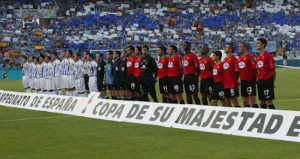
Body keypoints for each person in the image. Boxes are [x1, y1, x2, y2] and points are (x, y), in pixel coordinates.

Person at [256, 38, 276, 109]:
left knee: (268, 101)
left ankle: (273, 116)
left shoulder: (268, 56)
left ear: (263, 45)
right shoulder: (258, 57)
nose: (256, 45)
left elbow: (273, 70)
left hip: (267, 81)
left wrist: (272, 82)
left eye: (258, 43)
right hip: (260, 81)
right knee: (261, 101)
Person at [238, 42, 258, 108]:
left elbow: (254, 69)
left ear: (245, 48)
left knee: (252, 101)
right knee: (245, 102)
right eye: (239, 47)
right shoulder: (240, 58)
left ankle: (257, 113)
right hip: (243, 81)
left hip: (250, 81)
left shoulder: (250, 57)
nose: (239, 48)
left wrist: (255, 79)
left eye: (241, 47)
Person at [223, 43, 240, 107]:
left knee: (234, 100)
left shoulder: (234, 59)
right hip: (226, 84)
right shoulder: (225, 59)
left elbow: (237, 72)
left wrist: (234, 81)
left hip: (232, 84)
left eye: (227, 47)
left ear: (231, 49)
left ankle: (239, 114)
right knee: (227, 101)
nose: (225, 48)